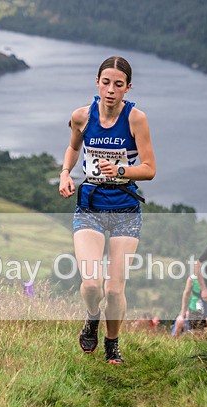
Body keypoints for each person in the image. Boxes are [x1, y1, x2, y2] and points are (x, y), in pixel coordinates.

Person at [58, 56, 156, 364]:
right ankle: (91, 318)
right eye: (105, 82)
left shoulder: (136, 119)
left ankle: (112, 344)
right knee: (91, 283)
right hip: (90, 206)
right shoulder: (82, 116)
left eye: (118, 84)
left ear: (128, 88)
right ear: (97, 82)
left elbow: (150, 168)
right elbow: (74, 147)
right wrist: (64, 172)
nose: (111, 90)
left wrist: (120, 171)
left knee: (114, 290)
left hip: (125, 210)